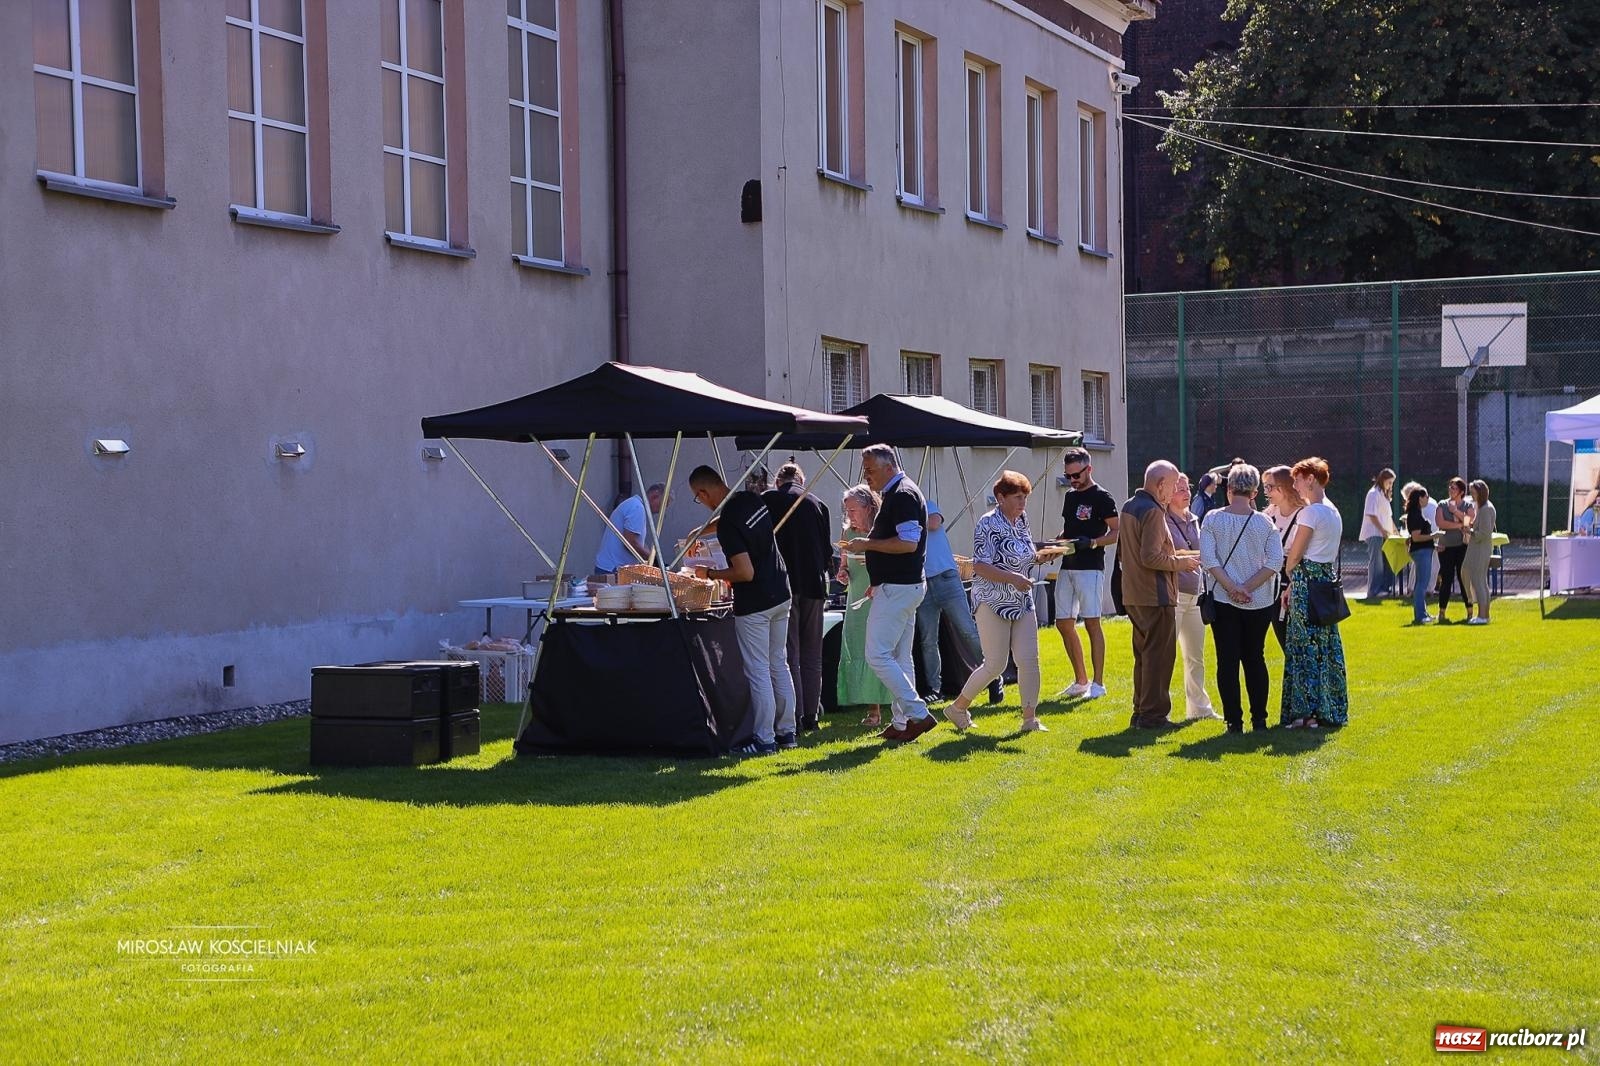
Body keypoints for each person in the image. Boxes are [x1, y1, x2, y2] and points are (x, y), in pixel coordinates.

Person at [688, 466, 796, 755]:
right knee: (778, 664)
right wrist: (699, 533)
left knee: (759, 670)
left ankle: (764, 739)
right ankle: (787, 733)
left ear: (703, 493)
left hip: (756, 602)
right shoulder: (751, 500)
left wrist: (708, 574)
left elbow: (744, 572)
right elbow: (734, 521)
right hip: (780, 591)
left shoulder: (728, 525)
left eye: (698, 499)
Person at [944, 472, 1048, 734]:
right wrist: (1012, 578)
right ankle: (957, 708)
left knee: (1029, 659)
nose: (1022, 502)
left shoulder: (1021, 520)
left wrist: (1040, 557)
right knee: (996, 664)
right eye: (1017, 497)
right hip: (992, 600)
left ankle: (1029, 720)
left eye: (1025, 496)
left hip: (1021, 600)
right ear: (1000, 498)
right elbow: (979, 566)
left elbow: (1023, 553)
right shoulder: (987, 523)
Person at [854, 445, 938, 742]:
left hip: (900, 587)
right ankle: (903, 723)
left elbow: (908, 543)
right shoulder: (900, 491)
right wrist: (876, 569)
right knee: (901, 657)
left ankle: (917, 713)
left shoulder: (901, 494)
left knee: (876, 654)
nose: (867, 477)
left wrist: (866, 545)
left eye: (870, 470)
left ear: (889, 467)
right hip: (903, 584)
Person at [1199, 463, 1284, 733]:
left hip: (1224, 600)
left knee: (1227, 659)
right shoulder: (1265, 522)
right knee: (1254, 657)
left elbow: (1209, 560)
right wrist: (1246, 587)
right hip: (1258, 601)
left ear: (1229, 489)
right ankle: (1259, 719)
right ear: (1255, 492)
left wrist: (1233, 587)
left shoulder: (1212, 518)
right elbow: (1274, 563)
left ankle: (1233, 721)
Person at [1118, 460, 1202, 729]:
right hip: (1155, 595)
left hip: (1133, 594)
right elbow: (1151, 556)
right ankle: (1154, 717)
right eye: (1174, 485)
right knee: (1159, 658)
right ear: (1160, 484)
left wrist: (1178, 556)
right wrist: (1182, 563)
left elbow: (1131, 553)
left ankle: (1140, 712)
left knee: (1144, 657)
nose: (1175, 491)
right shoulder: (1153, 511)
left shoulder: (1130, 506)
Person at [1280, 457, 1349, 729]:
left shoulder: (1311, 512)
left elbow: (1295, 554)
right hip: (1324, 582)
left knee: (1303, 647)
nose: (1294, 484)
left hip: (1307, 583)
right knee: (1325, 647)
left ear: (1311, 479)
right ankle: (1325, 709)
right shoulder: (1333, 511)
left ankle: (1305, 713)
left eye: (1298, 479)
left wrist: (1289, 571)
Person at [763, 463, 832, 732]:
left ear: (777, 480)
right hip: (814, 585)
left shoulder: (768, 500)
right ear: (802, 479)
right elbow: (827, 552)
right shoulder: (818, 503)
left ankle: (795, 714)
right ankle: (811, 716)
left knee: (789, 652)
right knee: (812, 654)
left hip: (785, 584)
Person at [914, 499, 999, 705]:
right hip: (923, 583)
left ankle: (993, 676)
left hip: (946, 578)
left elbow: (934, 522)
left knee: (967, 630)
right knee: (928, 640)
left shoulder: (926, 504)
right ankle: (935, 689)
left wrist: (907, 522)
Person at [1053, 447, 1119, 700]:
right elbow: (1067, 531)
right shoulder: (1070, 497)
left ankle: (1098, 683)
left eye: (1076, 475)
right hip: (1068, 565)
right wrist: (1052, 545)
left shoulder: (1103, 497)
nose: (1072, 480)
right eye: (1068, 476)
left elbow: (1116, 533)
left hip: (1091, 568)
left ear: (1088, 469)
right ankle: (1081, 680)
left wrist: (1091, 542)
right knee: (1062, 623)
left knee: (1092, 623)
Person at [836, 485, 892, 726]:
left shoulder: (882, 531)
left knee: (882, 647)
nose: (850, 515)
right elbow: (844, 565)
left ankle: (891, 705)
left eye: (853, 510)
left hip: (881, 594)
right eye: (847, 510)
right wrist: (843, 573)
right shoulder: (847, 534)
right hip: (857, 596)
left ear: (868, 507)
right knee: (859, 646)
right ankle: (873, 708)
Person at [1165, 474, 1219, 721]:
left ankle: (1199, 709)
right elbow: (1164, 553)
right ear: (1166, 493)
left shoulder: (1195, 519)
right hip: (1173, 594)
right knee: (1166, 654)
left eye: (1187, 488)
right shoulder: (1162, 520)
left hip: (1196, 595)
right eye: (1179, 489)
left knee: (1195, 656)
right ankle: (1159, 710)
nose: (1186, 493)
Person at [1262, 465, 1306, 652]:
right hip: (1268, 583)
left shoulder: (1304, 514)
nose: (1266, 492)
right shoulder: (1267, 515)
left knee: (1294, 643)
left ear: (1284, 488)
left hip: (1292, 582)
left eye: (1269, 487)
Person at [593, 483, 664, 575]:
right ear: (655, 496)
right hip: (612, 569)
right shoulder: (637, 508)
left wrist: (653, 557)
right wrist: (653, 559)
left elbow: (637, 541)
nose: (661, 511)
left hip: (609, 567)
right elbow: (630, 543)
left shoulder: (634, 504)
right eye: (663, 505)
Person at [1434, 476, 1476, 623]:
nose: (1451, 490)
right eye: (1450, 487)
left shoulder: (1467, 506)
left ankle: (1470, 611)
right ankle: (1442, 612)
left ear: (1461, 491)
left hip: (1462, 547)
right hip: (1446, 547)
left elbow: (1469, 521)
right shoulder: (1442, 504)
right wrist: (1459, 525)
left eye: (1454, 488)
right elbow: (1441, 523)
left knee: (1463, 577)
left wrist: (1455, 511)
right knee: (1447, 578)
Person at [1360, 467, 1398, 601]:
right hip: (1375, 534)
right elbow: (1371, 515)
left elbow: (1389, 517)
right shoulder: (1373, 493)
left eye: (1392, 482)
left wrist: (1395, 532)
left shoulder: (1384, 495)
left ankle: (1384, 589)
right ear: (1383, 480)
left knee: (1387, 562)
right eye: (1389, 482)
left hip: (1385, 534)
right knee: (1377, 563)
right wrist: (1383, 531)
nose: (1390, 485)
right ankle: (1373, 591)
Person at [1463, 479, 1497, 625]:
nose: (1472, 495)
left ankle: (1483, 616)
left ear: (1481, 492)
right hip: (1478, 548)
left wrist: (1469, 530)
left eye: (1473, 492)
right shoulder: (1482, 507)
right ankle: (1484, 615)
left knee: (1478, 581)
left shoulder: (1485, 509)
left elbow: (1484, 533)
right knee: (1480, 581)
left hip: (1481, 549)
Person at [1403, 486, 1436, 624]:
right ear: (1420, 498)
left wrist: (1433, 544)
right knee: (1421, 584)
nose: (1428, 499)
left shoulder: (1417, 512)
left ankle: (1423, 612)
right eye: (1426, 496)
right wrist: (1434, 536)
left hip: (1424, 550)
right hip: (1421, 552)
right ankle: (1420, 616)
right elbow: (1416, 537)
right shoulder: (1415, 514)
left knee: (1422, 582)